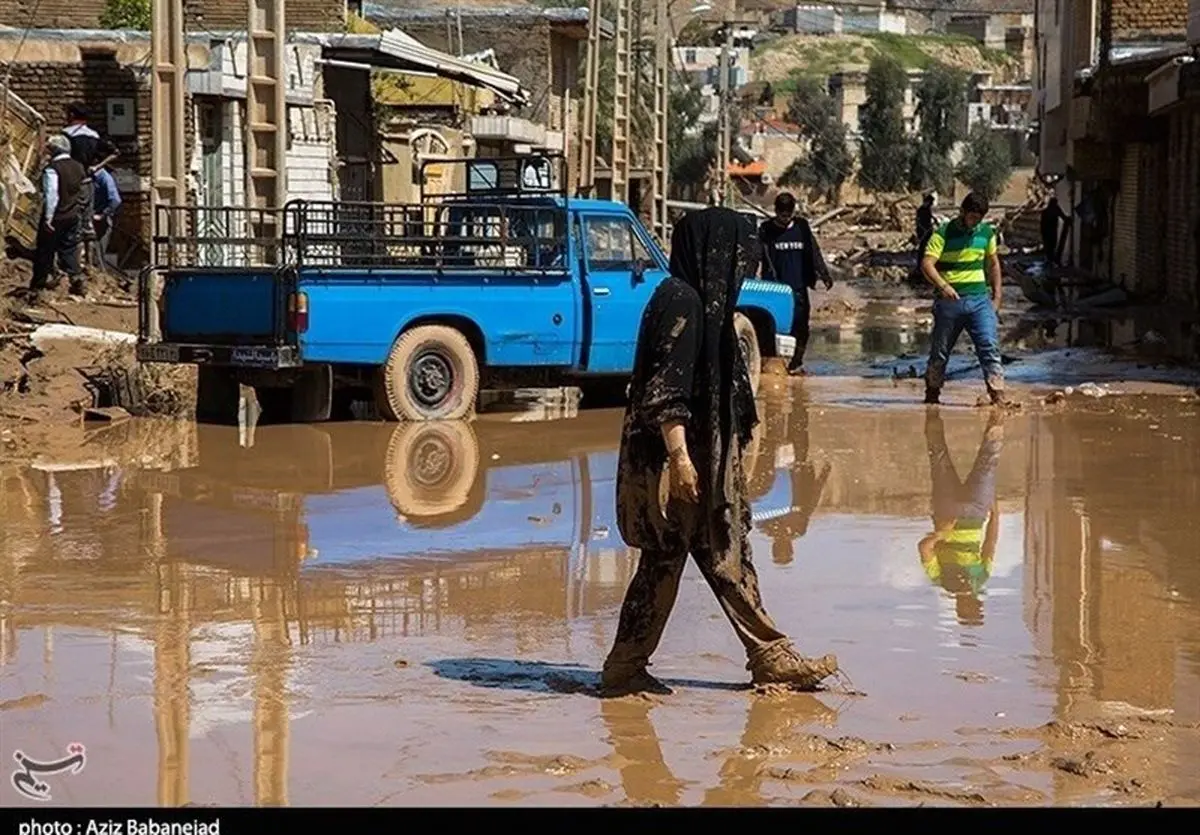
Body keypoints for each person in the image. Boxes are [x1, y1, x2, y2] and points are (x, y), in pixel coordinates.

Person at [599, 206, 839, 698]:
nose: (745, 267)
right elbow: (667, 392)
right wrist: (682, 461)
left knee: (710, 558)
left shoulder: (705, 304)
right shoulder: (682, 302)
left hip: (704, 459)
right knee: (703, 557)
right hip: (683, 463)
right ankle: (763, 656)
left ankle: (635, 665)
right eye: (739, 256)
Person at [919, 192, 1008, 407]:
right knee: (940, 352)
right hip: (949, 303)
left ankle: (998, 396)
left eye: (979, 218)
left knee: (989, 346)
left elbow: (993, 263)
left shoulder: (987, 234)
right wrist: (943, 286)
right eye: (971, 217)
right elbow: (927, 263)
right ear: (962, 212)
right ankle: (932, 395)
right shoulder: (943, 233)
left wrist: (997, 296)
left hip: (979, 300)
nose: (974, 222)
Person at [918, 409, 1003, 627]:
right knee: (988, 462)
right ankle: (997, 416)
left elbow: (924, 548)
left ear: (959, 608)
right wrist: (995, 514)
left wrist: (941, 534)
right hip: (976, 512)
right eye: (977, 608)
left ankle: (932, 412)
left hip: (949, 512)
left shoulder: (941, 579)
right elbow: (989, 544)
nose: (974, 604)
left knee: (940, 459)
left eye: (971, 609)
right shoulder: (979, 579)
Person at [758, 192, 832, 376]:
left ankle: (796, 363)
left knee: (802, 327)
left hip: (799, 287)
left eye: (788, 215)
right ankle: (773, 364)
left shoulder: (801, 227)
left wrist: (823, 273)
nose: (785, 219)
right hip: (775, 290)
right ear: (776, 211)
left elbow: (813, 250)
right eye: (782, 215)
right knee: (775, 327)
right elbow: (756, 255)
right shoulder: (766, 230)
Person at [31, 134, 87, 298]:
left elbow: (52, 194)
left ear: (54, 149)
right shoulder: (78, 166)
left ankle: (39, 285)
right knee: (69, 248)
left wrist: (48, 218)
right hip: (73, 214)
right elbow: (82, 192)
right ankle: (75, 278)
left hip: (57, 216)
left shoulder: (53, 168)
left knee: (45, 251)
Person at [91, 165, 122, 268]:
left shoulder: (104, 177)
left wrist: (102, 215)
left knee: (97, 255)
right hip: (93, 218)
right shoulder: (92, 177)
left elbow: (115, 200)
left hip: (101, 220)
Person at [1040, 196, 1069, 267]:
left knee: (1050, 247)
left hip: (1049, 232)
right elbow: (1063, 216)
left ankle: (1050, 261)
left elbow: (1063, 216)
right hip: (1049, 231)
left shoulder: (1049, 211)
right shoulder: (1052, 210)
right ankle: (1050, 261)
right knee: (1050, 247)